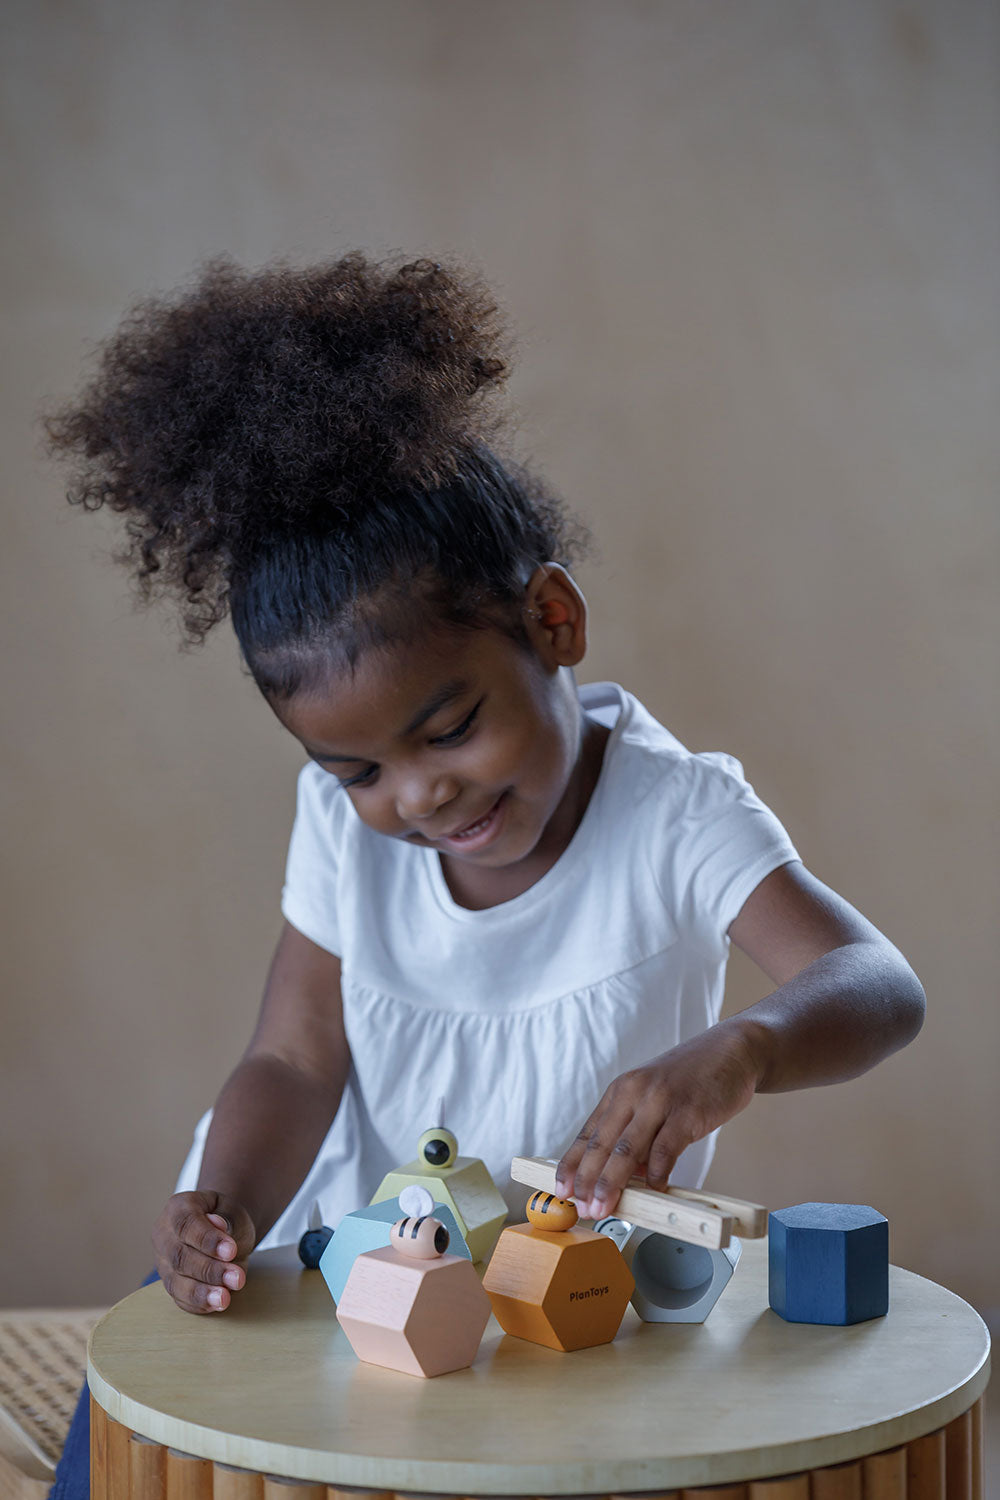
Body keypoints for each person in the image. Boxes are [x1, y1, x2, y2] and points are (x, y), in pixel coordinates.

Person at [47, 252, 925, 1318]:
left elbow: (876, 982)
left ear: (552, 622)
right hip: (336, 1264)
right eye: (357, 769)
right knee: (149, 1455)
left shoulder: (677, 816)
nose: (416, 798)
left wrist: (743, 1049)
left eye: (450, 729)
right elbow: (292, 1056)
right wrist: (219, 1206)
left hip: (556, 1300)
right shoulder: (342, 828)